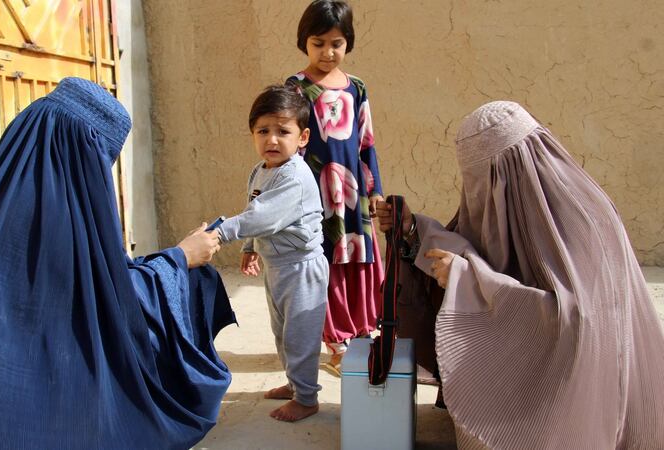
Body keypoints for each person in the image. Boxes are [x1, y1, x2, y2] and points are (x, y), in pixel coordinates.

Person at [0, 77, 236, 450]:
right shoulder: (69, 211)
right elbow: (109, 308)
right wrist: (181, 258)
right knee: (197, 282)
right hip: (45, 420)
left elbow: (89, 283)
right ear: (87, 153)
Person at [376, 100, 664, 449]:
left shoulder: (585, 220)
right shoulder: (510, 204)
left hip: (583, 401)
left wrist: (467, 281)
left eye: (481, 180)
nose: (476, 192)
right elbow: (475, 248)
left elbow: (582, 321)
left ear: (510, 173)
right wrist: (411, 229)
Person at [216, 84, 329, 422]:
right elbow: (256, 207)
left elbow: (263, 216)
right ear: (253, 134)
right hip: (276, 266)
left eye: (283, 131)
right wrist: (251, 248)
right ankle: (296, 384)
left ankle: (307, 398)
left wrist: (222, 231)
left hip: (302, 269)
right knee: (281, 332)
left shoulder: (294, 176)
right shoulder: (260, 170)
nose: (272, 140)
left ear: (303, 137)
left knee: (300, 336)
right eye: (263, 131)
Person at [286, 0, 385, 375]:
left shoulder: (357, 88)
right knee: (324, 261)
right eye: (318, 43)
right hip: (316, 193)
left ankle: (360, 332)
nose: (328, 52)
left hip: (353, 192)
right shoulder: (296, 87)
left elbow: (366, 141)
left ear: (348, 43)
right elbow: (291, 140)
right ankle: (334, 339)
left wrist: (374, 190)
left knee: (359, 257)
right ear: (304, 42)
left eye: (337, 43)